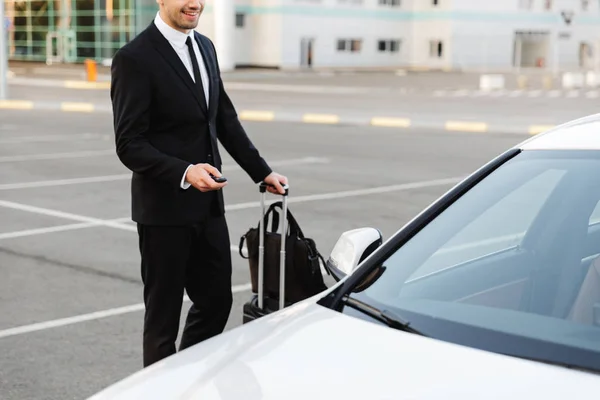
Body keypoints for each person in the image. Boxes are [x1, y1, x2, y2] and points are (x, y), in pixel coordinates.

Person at [109, 0, 288, 367]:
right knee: (162, 320)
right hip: (163, 213)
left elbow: (223, 118)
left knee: (216, 301)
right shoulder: (135, 58)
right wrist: (185, 171)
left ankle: (184, 377)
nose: (195, 3)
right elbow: (129, 144)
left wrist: (262, 171)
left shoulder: (204, 47)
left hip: (208, 209)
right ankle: (160, 390)